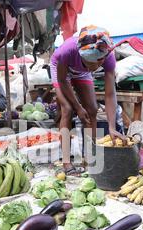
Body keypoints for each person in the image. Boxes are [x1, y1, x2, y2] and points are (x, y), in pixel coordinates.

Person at [50, 25, 125, 175]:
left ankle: (90, 156)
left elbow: (110, 94)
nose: (95, 67)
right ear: (81, 55)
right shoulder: (68, 50)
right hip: (61, 69)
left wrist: (111, 127)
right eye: (90, 63)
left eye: (98, 63)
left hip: (81, 73)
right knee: (67, 109)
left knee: (92, 110)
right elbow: (63, 80)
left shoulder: (108, 55)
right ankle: (66, 162)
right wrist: (78, 107)